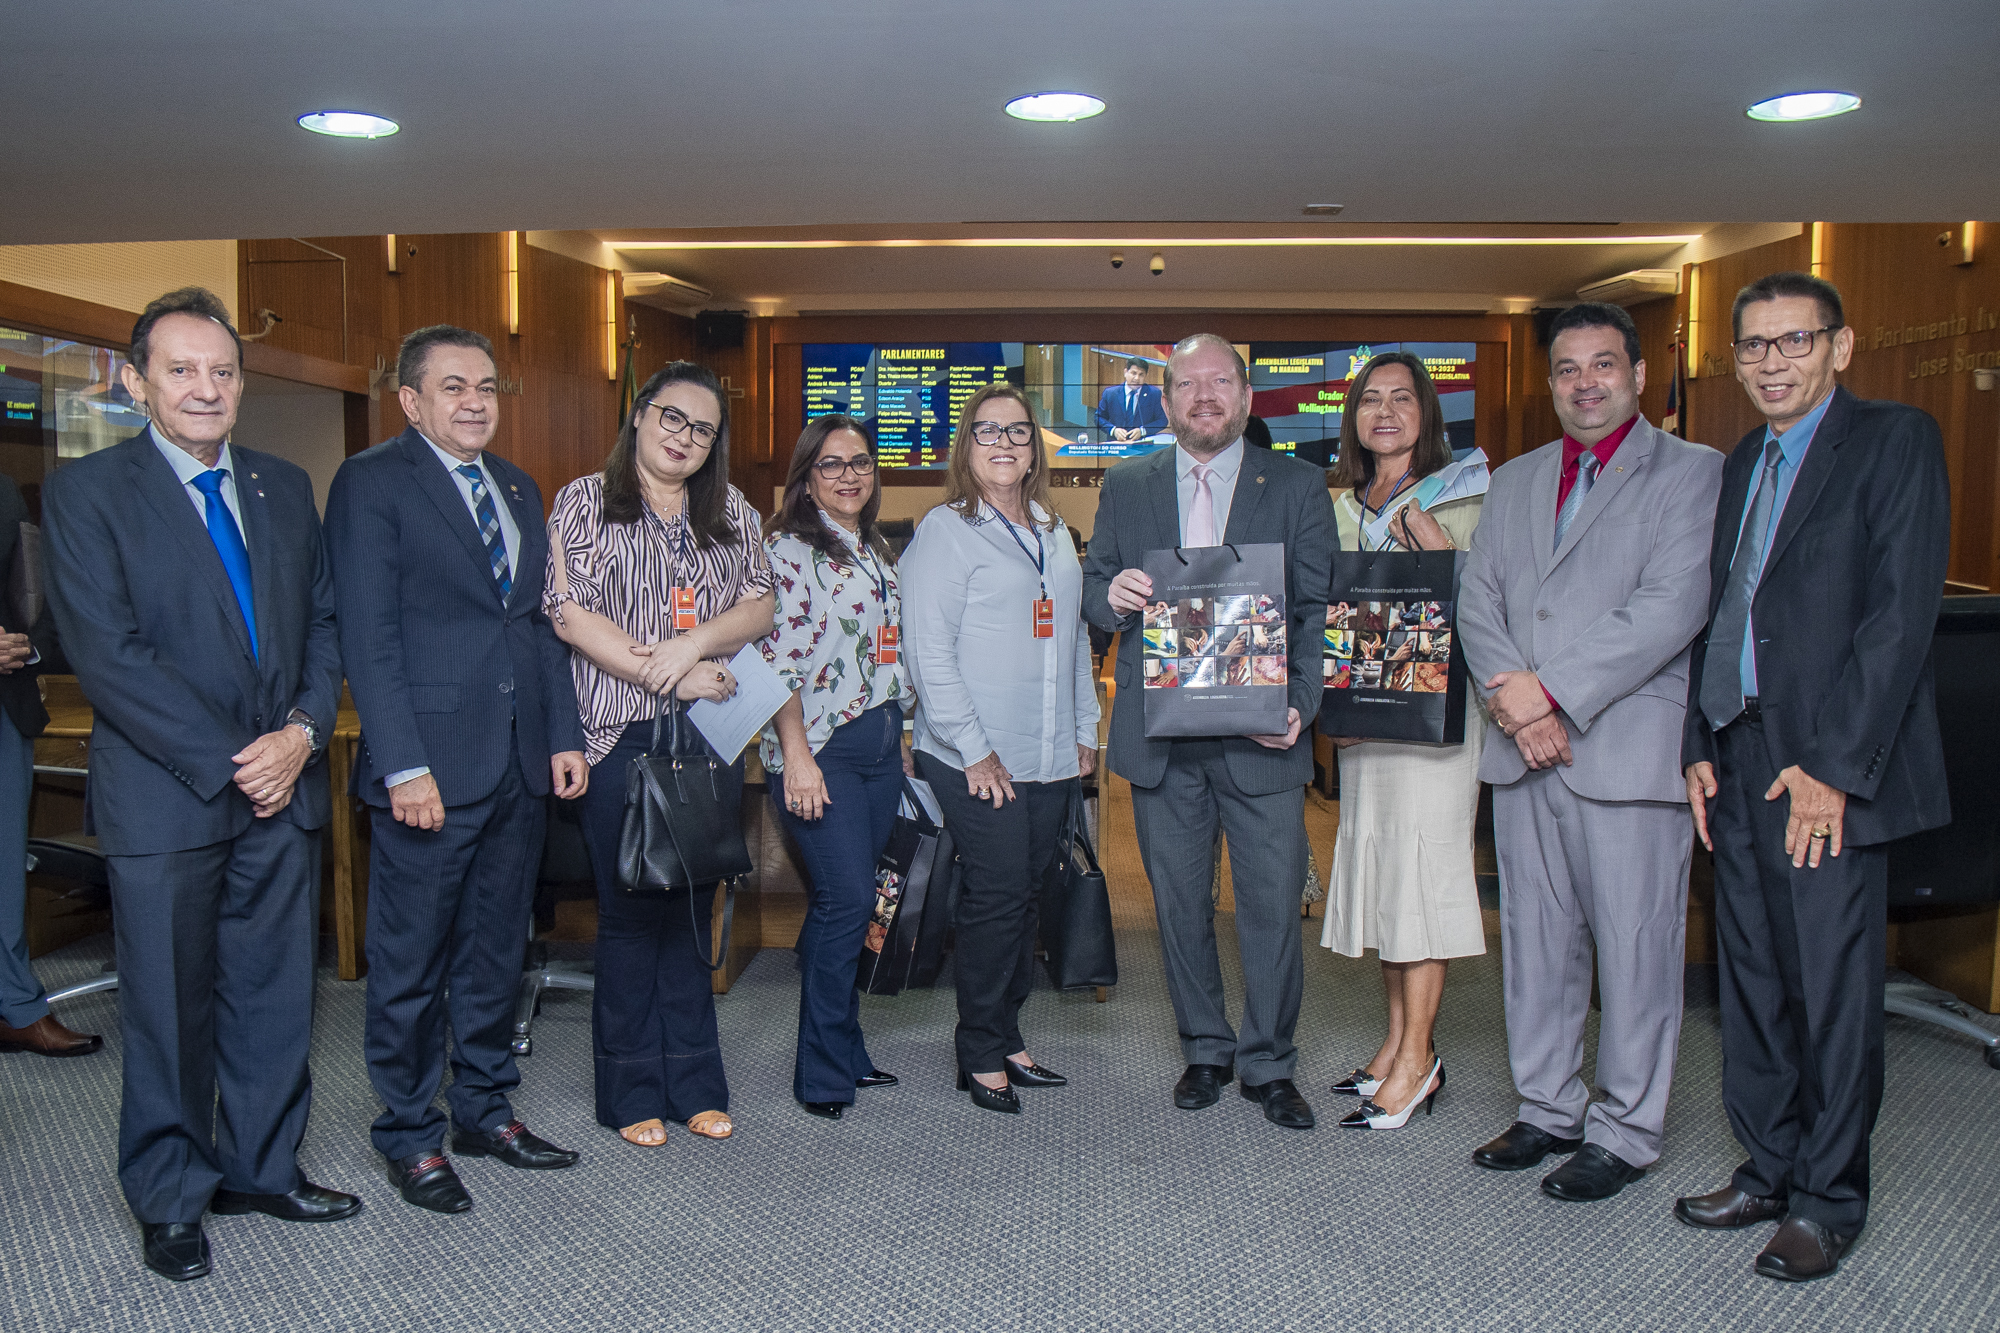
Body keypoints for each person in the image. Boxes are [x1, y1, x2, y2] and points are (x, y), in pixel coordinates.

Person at [42, 288, 356, 1281]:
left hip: (283, 785)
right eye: (181, 369)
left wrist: (303, 732)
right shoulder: (88, 493)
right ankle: (173, 1194)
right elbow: (112, 659)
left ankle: (263, 1169)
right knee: (170, 1011)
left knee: (273, 998)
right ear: (137, 382)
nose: (205, 387)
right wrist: (246, 757)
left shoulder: (282, 483)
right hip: (169, 797)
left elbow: (323, 626)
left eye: (222, 370)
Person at [1677, 272, 1950, 1282]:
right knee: (1750, 979)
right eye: (1752, 346)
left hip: (1819, 765)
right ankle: (1768, 1165)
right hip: (1736, 751)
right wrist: (1696, 743)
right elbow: (1722, 611)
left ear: (1839, 346)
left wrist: (1833, 771)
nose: (1770, 362)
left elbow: (1895, 621)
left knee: (1830, 989)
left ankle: (1829, 1198)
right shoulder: (1744, 455)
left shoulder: (1893, 441)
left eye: (1793, 342)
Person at [1456, 302, 1722, 1201]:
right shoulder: (1519, 478)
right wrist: (1514, 701)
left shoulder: (1693, 472)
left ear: (1639, 375)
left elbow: (1670, 606)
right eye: (1568, 368)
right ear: (1552, 382)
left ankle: (1627, 1128)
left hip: (1624, 749)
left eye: (1603, 365)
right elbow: (1478, 601)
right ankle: (1547, 1107)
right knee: (1536, 940)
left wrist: (1550, 694)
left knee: (1637, 947)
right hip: (1524, 749)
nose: (1585, 383)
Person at [325, 325, 589, 1214]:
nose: (475, 400)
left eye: (485, 385)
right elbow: (370, 634)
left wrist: (562, 735)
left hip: (515, 763)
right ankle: (409, 1131)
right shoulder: (370, 483)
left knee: (493, 951)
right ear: (410, 400)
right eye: (452, 387)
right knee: (410, 959)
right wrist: (402, 765)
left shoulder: (517, 486)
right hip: (427, 770)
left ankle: (483, 1106)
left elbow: (537, 625)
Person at [1082, 333, 1334, 1130]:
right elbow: (1092, 595)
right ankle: (1205, 1048)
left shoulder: (1296, 485)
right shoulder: (1128, 485)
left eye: (1219, 381)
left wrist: (1301, 700)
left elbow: (1316, 611)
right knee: (1179, 905)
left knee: (1268, 905)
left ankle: (1267, 1061)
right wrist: (1112, 594)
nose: (1203, 396)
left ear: (1247, 395)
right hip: (1162, 741)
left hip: (1262, 735)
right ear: (1165, 403)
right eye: (1186, 384)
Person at [546, 361, 775, 1148]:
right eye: (672, 419)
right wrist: (667, 672)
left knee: (692, 908)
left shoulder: (730, 509)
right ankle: (631, 1088)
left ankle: (696, 1083)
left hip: (704, 741)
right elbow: (569, 613)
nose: (685, 438)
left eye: (703, 429)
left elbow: (761, 603)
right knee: (630, 914)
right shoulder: (583, 499)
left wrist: (694, 645)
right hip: (617, 737)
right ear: (640, 416)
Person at [902, 383, 1098, 1114]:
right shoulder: (945, 531)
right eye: (988, 431)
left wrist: (1086, 727)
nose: (1005, 443)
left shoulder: (1051, 528)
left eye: (1018, 431)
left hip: (1047, 751)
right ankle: (979, 1047)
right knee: (993, 898)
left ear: (1035, 446)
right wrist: (977, 750)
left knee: (1027, 898)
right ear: (966, 445)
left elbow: (1073, 631)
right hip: (971, 754)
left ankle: (1009, 1031)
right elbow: (928, 653)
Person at [1317, 351, 1486, 1131]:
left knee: (1422, 875)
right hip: (1372, 716)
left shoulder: (1466, 494)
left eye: (1402, 398)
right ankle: (1394, 1043)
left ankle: (1419, 1058)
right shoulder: (1345, 505)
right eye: (1370, 400)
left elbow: (1489, 604)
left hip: (1438, 721)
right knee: (1387, 873)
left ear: (1427, 411)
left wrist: (1437, 550)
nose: (1385, 412)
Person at [758, 415, 913, 1121]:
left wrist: (902, 736)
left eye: (859, 462)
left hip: (879, 749)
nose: (849, 475)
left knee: (852, 906)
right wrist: (795, 754)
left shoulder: (873, 547)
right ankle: (821, 1071)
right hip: (820, 748)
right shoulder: (788, 550)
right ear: (806, 476)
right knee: (846, 899)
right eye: (830, 464)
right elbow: (777, 660)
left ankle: (845, 1047)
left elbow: (885, 654)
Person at [0, 476, 95, 1059]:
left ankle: (15, 1006)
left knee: (6, 869)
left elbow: (38, 589)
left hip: (6, 700)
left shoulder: (8, 489)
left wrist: (28, 646)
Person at [1094, 358, 1167, 442]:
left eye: (1141, 375)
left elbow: (1162, 421)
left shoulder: (1153, 394)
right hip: (1117, 443)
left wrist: (1142, 431)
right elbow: (1098, 418)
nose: (1136, 378)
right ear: (1125, 372)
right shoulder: (1110, 393)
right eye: (1134, 373)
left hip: (1142, 443)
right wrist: (1113, 430)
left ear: (1145, 376)